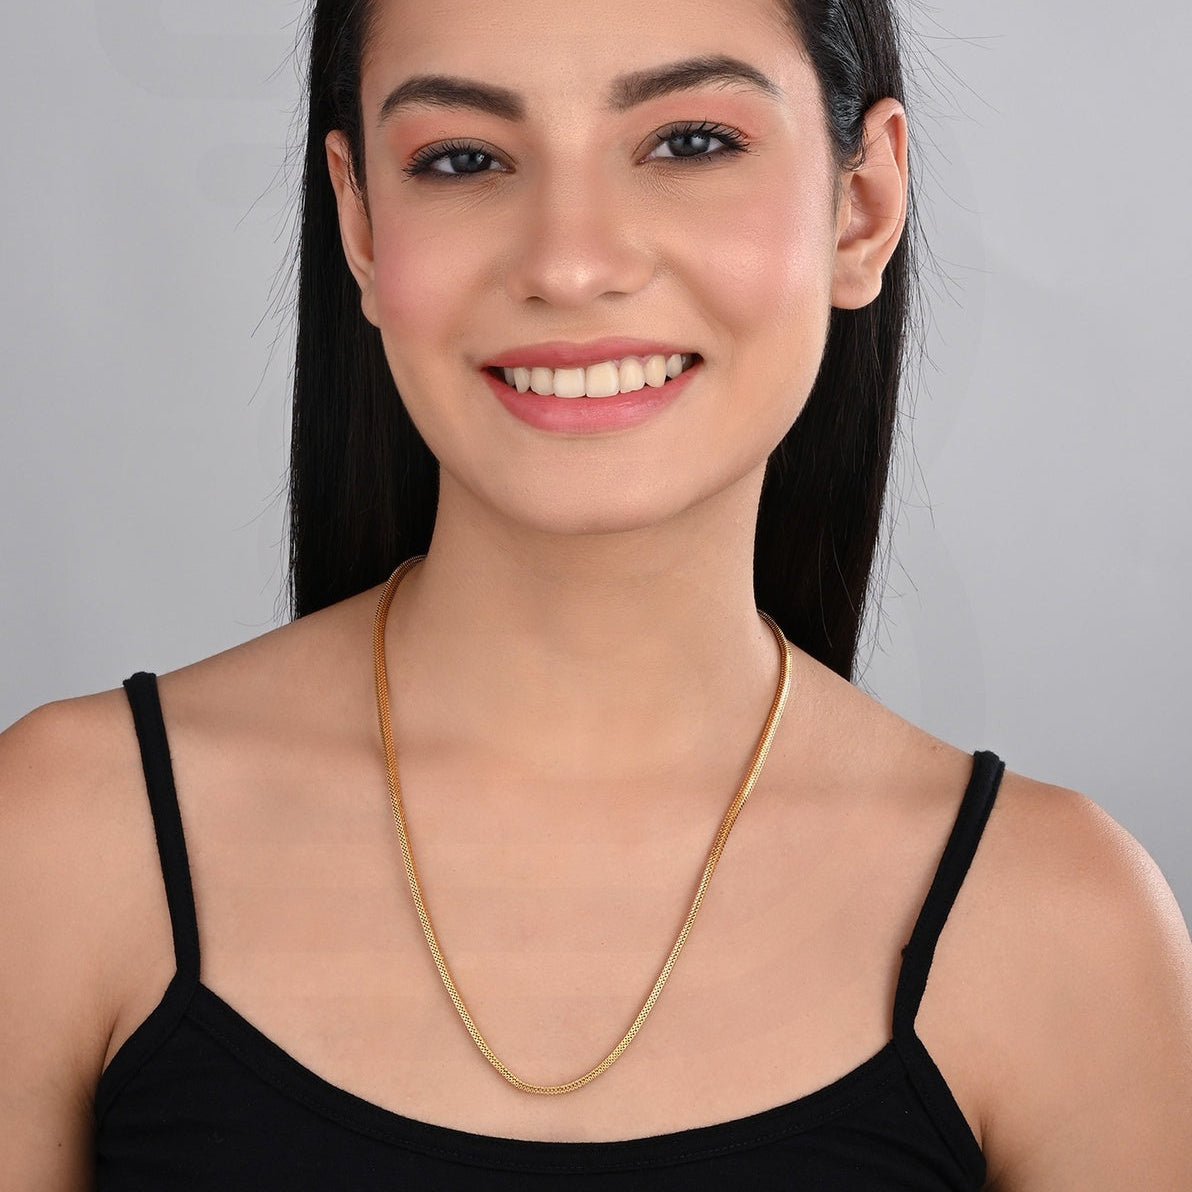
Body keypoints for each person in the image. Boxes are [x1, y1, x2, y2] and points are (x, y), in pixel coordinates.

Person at [2, 0, 1190, 1186]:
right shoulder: (62, 845)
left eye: (689, 143)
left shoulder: (1060, 935)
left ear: (862, 203)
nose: (569, 262)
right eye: (462, 159)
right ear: (361, 223)